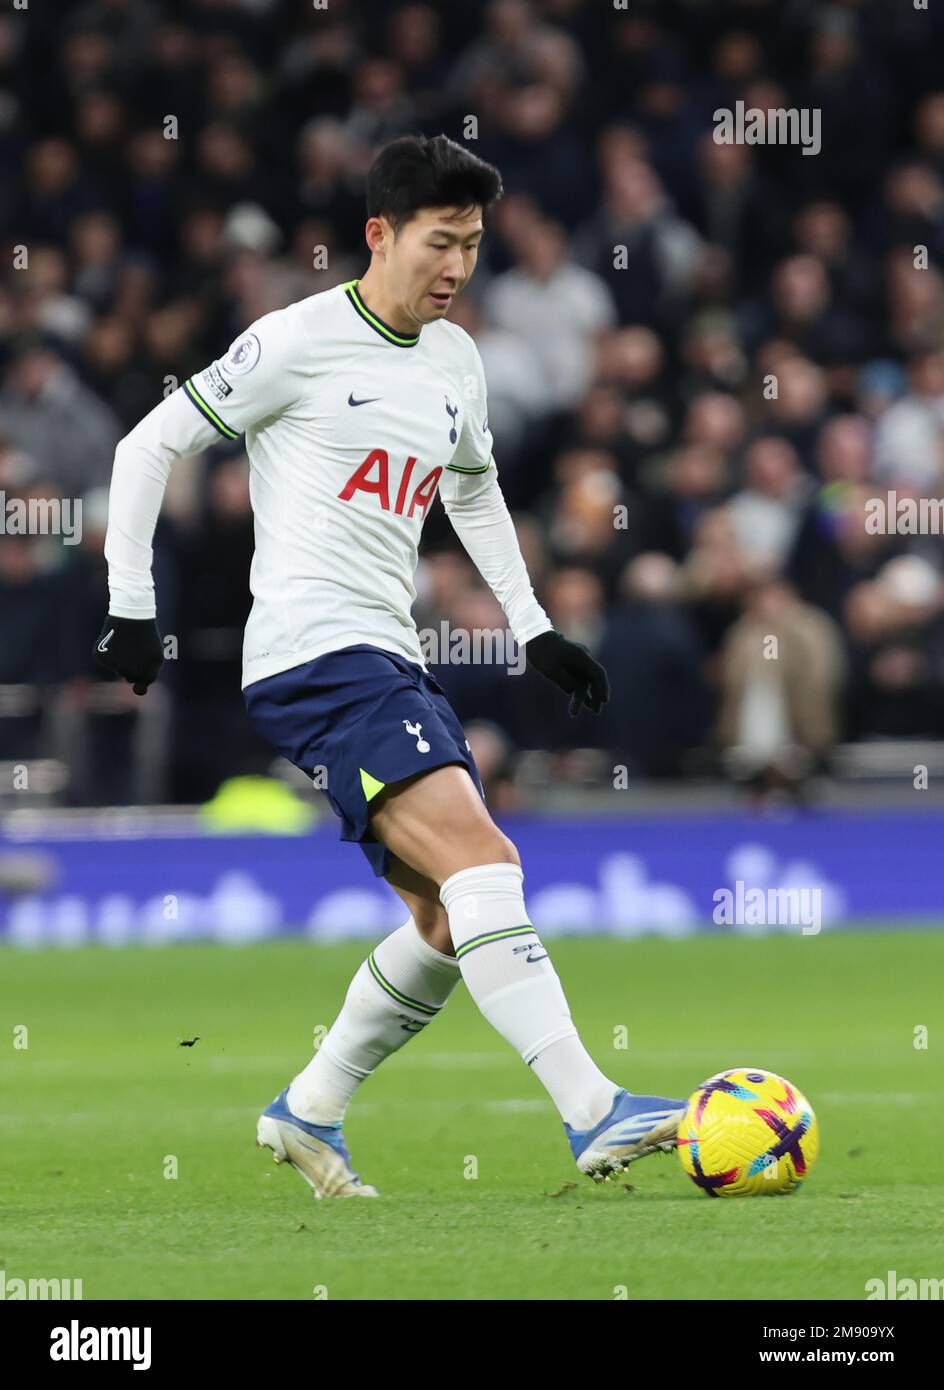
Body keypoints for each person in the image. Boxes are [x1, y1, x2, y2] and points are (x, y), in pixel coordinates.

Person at [95, 134, 686, 1198]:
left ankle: (308, 1108)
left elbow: (472, 490)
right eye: (440, 242)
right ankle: (593, 1110)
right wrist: (130, 605)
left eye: (471, 244)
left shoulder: (456, 360)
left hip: (387, 656)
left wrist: (533, 626)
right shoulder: (295, 341)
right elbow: (146, 447)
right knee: (484, 863)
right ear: (379, 234)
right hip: (313, 656)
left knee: (443, 918)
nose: (457, 265)